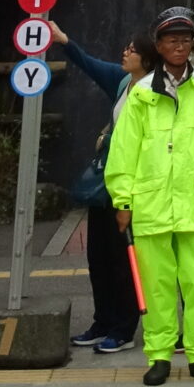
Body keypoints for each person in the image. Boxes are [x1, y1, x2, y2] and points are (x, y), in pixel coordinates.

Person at [105, 9, 194, 387]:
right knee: (157, 283)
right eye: (171, 41)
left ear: (192, 45)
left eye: (185, 40)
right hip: (150, 202)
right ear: (159, 47)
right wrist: (123, 201)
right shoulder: (143, 95)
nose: (179, 47)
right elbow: (123, 152)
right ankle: (159, 355)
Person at [53, 21, 144, 355]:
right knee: (99, 258)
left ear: (146, 58)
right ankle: (102, 321)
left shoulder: (153, 93)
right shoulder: (123, 83)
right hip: (105, 186)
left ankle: (124, 327)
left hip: (131, 191)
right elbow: (90, 64)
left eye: (132, 49)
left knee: (125, 263)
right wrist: (65, 41)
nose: (125, 52)